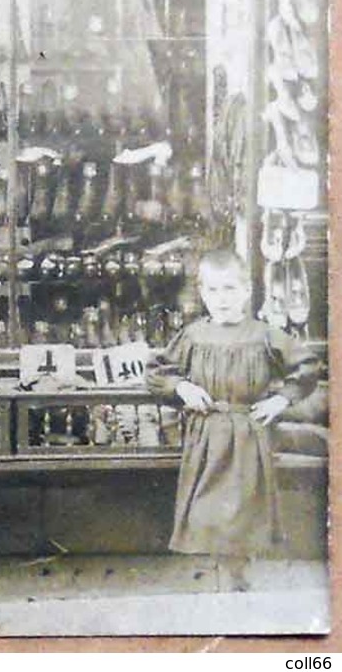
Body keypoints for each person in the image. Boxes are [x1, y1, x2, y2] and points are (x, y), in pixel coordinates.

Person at [146, 249, 320, 591]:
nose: (221, 299)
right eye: (212, 290)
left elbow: (308, 366)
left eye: (229, 289)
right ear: (202, 293)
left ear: (246, 291)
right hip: (206, 434)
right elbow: (156, 371)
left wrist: (281, 399)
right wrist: (181, 386)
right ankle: (218, 582)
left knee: (240, 511)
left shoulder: (264, 335)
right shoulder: (193, 336)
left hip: (247, 434)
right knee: (207, 511)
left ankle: (235, 581)